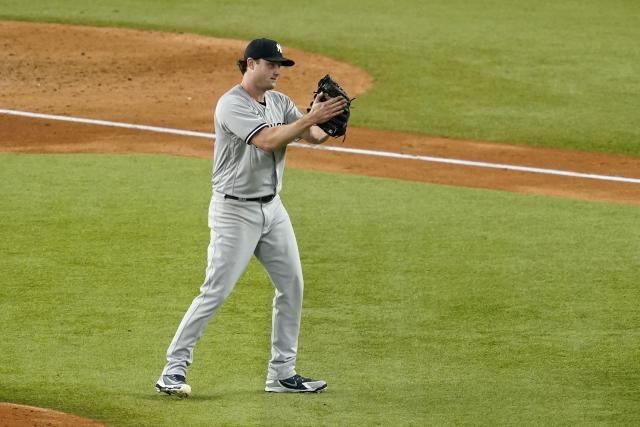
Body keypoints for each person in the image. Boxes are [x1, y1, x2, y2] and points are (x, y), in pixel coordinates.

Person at [155, 38, 348, 397]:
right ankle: (173, 370)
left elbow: (311, 135)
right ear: (250, 64)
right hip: (235, 212)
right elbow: (267, 141)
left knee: (292, 286)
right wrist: (310, 117)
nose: (277, 70)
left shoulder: (278, 101)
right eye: (271, 64)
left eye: (281, 65)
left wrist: (322, 118)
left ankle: (282, 374)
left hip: (272, 209)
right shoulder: (230, 104)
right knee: (215, 291)